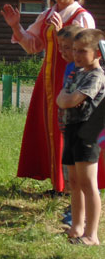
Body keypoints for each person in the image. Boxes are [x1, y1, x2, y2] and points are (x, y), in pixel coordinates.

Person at [0, 0, 105, 193]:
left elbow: (85, 54)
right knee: (49, 129)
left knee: (67, 130)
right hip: (48, 79)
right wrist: (16, 26)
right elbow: (33, 46)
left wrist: (61, 34)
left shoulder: (82, 17)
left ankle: (71, 188)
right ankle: (58, 184)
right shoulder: (48, 14)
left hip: (72, 80)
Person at [56, 28, 105, 245]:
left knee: (88, 183)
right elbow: (60, 98)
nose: (76, 55)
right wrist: (65, 99)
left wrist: (65, 99)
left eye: (82, 51)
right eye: (74, 50)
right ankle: (77, 227)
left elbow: (70, 99)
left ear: (97, 53)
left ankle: (92, 235)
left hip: (88, 131)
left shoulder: (96, 76)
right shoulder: (76, 72)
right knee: (74, 182)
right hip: (71, 129)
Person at [56, 24, 83, 226]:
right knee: (70, 172)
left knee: (80, 174)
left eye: (68, 48)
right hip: (68, 125)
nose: (62, 52)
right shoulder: (69, 68)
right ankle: (73, 207)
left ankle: (79, 212)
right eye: (61, 47)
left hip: (81, 128)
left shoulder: (86, 72)